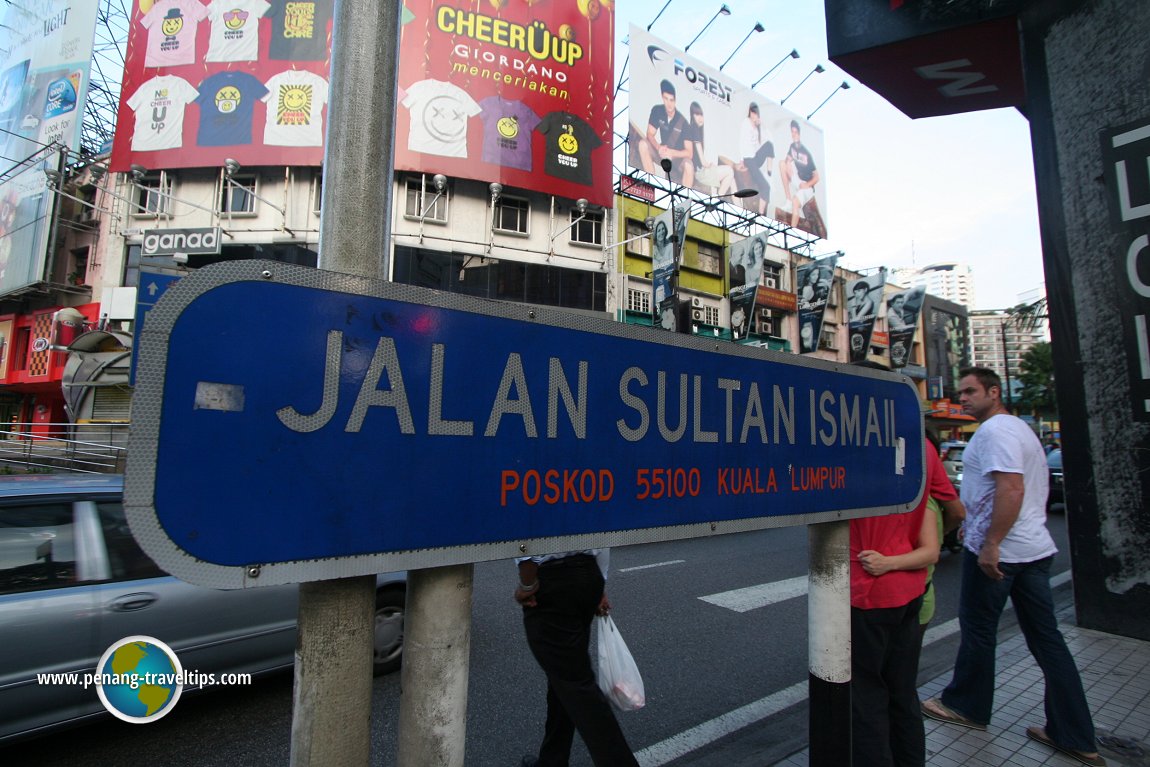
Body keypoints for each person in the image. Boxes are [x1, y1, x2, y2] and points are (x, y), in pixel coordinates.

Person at [922, 367, 1106, 767]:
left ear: (994, 391)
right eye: (960, 392)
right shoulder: (1020, 429)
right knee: (1047, 641)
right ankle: (1075, 734)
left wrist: (991, 544)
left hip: (1003, 553)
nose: (963, 398)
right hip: (1034, 549)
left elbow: (1011, 488)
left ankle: (967, 705)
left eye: (971, 392)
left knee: (979, 629)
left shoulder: (996, 431)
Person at [850, 394, 951, 767]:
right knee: (903, 694)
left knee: (865, 699)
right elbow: (940, 511)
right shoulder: (922, 447)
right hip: (911, 592)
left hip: (866, 594)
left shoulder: (849, 443)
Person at [515, 550, 640, 767]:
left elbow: (530, 539)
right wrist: (600, 585)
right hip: (588, 576)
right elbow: (601, 534)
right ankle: (552, 760)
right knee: (564, 677)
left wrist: (527, 584)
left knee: (576, 684)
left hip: (551, 581)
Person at [638, 79, 693, 186]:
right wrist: (658, 147)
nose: (669, 103)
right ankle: (650, 184)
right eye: (666, 99)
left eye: (671, 100)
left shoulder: (683, 122)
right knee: (643, 144)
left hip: (678, 159)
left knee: (689, 166)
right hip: (662, 152)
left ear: (675, 100)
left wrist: (672, 152)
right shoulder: (657, 110)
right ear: (662, 97)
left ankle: (686, 198)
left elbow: (689, 153)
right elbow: (650, 133)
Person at [686, 101, 735, 196]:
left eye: (701, 115)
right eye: (697, 114)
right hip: (700, 173)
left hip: (701, 172)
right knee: (729, 171)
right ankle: (718, 198)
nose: (700, 118)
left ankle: (716, 197)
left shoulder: (698, 130)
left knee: (730, 178)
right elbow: (703, 161)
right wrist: (710, 165)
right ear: (692, 115)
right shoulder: (695, 129)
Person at [779, 119, 820, 229]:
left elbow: (817, 176)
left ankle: (792, 230)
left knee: (796, 201)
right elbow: (787, 160)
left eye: (795, 132)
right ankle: (787, 201)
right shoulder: (792, 146)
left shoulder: (806, 153)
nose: (794, 135)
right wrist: (788, 162)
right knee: (782, 163)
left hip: (807, 186)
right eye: (792, 132)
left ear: (799, 134)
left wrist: (807, 185)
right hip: (798, 179)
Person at [737, 103, 773, 216]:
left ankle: (769, 171)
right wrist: (741, 159)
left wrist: (761, 125)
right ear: (750, 112)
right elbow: (742, 141)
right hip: (748, 159)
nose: (754, 115)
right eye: (752, 112)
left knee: (769, 145)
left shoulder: (757, 126)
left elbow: (764, 141)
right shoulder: (746, 123)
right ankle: (761, 213)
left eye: (756, 113)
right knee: (766, 187)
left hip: (755, 157)